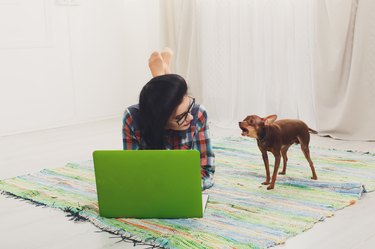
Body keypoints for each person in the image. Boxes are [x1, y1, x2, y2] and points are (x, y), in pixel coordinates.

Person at [122, 48, 215, 189]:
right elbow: (133, 170)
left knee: (170, 93)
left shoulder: (198, 113)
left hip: (181, 186)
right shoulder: (132, 118)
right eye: (180, 117)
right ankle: (162, 70)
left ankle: (159, 73)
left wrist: (185, 187)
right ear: (160, 121)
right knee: (162, 100)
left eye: (189, 106)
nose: (190, 117)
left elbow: (207, 172)